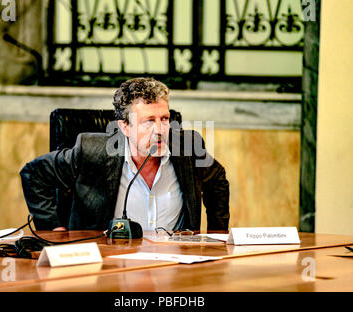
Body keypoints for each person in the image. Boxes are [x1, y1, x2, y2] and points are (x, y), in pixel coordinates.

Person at [20, 78, 229, 232]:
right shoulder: (92, 151)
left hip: (175, 265)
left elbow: (218, 178)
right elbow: (33, 173)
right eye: (149, 121)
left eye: (164, 119)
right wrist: (52, 228)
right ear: (125, 127)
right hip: (107, 263)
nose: (160, 129)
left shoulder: (187, 149)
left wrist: (215, 236)